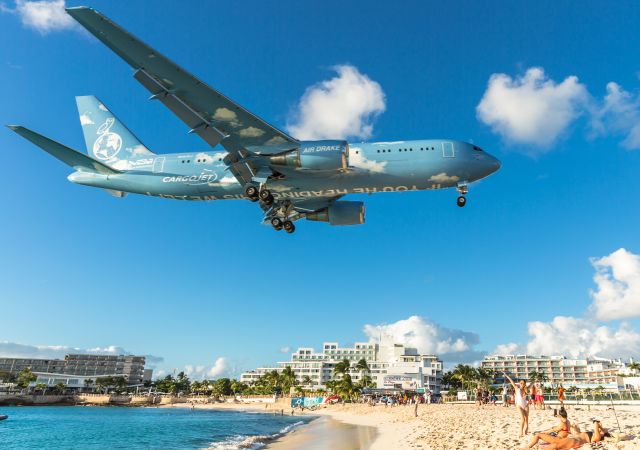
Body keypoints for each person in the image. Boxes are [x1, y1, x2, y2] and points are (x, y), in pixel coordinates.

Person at [504, 372, 529, 437]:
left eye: (523, 383)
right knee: (522, 419)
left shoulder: (526, 389)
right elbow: (511, 380)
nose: (521, 384)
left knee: (526, 419)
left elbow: (532, 383)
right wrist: (506, 374)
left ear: (524, 384)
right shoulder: (516, 388)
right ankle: (521, 432)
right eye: (520, 383)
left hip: (525, 405)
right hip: (519, 405)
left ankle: (526, 429)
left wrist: (536, 379)